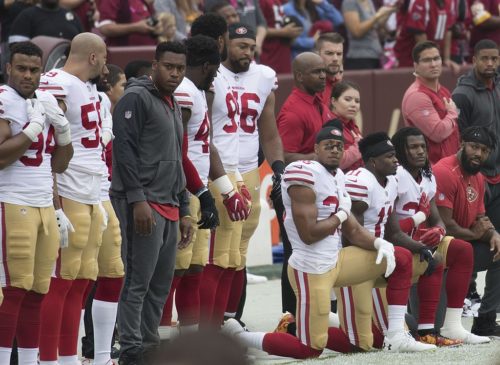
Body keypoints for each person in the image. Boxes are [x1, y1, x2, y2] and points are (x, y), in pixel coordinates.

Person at [221, 124, 428, 358]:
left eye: (339, 146)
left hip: (337, 261)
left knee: (400, 257)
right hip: (311, 268)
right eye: (328, 146)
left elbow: (353, 229)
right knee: (309, 349)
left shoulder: (339, 176)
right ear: (316, 149)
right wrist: (341, 214)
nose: (335, 151)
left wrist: (379, 244)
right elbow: (309, 234)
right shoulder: (303, 174)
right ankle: (238, 337)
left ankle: (396, 336)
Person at [336, 130, 488, 351]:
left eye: (423, 146)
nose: (420, 151)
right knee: (365, 341)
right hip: (380, 248)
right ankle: (309, 325)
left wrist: (437, 230)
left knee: (457, 251)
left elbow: (435, 219)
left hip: (402, 245)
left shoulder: (424, 176)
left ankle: (441, 329)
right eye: (413, 147)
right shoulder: (389, 177)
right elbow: (381, 232)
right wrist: (420, 217)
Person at [159, 34, 248, 334]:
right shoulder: (184, 91)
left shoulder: (195, 91)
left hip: (194, 187)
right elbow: (177, 149)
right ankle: (159, 339)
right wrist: (200, 192)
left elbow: (205, 146)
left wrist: (225, 187)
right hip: (183, 190)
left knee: (194, 268)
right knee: (175, 270)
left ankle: (190, 340)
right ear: (209, 65)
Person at [111, 41, 192, 365]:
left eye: (180, 68)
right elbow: (124, 151)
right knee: (136, 283)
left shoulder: (172, 102)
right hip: (143, 204)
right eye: (169, 66)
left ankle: (148, 345)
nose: (175, 73)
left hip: (169, 204)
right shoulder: (136, 97)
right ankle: (131, 351)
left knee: (160, 287)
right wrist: (137, 199)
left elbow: (177, 158)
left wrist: (184, 209)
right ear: (155, 65)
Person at [36, 32, 108, 365]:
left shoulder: (87, 87)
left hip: (92, 191)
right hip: (68, 188)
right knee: (61, 282)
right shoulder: (57, 82)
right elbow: (47, 139)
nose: (106, 64)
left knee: (82, 282)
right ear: (93, 57)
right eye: (104, 57)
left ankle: (69, 358)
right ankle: (48, 359)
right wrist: (53, 202)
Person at [0, 41, 73, 365]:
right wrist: (32, 129)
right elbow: (1, 157)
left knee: (38, 292)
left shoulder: (42, 100)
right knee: (14, 290)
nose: (28, 75)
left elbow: (58, 164)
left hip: (44, 204)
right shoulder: (4, 99)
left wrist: (64, 131)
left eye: (34, 70)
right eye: (22, 69)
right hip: (13, 202)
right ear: (9, 69)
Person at [216, 22, 285, 327]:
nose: (247, 53)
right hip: (219, 170)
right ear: (224, 44)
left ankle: (232, 318)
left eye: (251, 48)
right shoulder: (211, 73)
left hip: (249, 170)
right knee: (218, 253)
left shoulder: (264, 76)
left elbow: (269, 133)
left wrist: (279, 168)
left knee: (239, 253)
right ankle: (209, 320)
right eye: (240, 46)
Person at [276, 52, 333, 325]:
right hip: (296, 192)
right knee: (296, 253)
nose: (323, 76)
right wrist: (317, 158)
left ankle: (318, 310)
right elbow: (283, 156)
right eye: (316, 72)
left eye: (324, 71)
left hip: (317, 188)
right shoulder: (293, 111)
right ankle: (292, 316)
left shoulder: (319, 101)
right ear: (299, 76)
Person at [434, 126, 500, 336]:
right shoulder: (445, 171)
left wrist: (494, 234)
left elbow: (479, 218)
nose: (479, 154)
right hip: (439, 249)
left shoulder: (478, 177)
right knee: (434, 328)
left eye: (484, 150)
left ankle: (486, 320)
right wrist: (475, 234)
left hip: (464, 247)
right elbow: (445, 227)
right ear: (461, 144)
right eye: (474, 147)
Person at [80, 64, 126, 364]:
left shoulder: (102, 106)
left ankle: (100, 354)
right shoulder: (59, 94)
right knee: (74, 280)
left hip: (101, 194)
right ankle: (65, 354)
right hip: (74, 193)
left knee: (113, 273)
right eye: (121, 84)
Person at [452, 39, 500, 321]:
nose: (491, 64)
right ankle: (465, 298)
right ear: (474, 59)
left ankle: (488, 315)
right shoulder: (463, 94)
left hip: (497, 178)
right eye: (485, 59)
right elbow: (458, 141)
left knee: (498, 246)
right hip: (474, 179)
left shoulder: (496, 86)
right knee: (467, 242)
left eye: (495, 58)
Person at [402, 41, 460, 165]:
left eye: (436, 58)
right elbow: (438, 133)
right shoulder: (417, 96)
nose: (433, 64)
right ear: (416, 66)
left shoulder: (443, 90)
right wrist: (452, 113)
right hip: (431, 171)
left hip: (451, 166)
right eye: (427, 60)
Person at [394, 0, 460, 72]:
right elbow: (419, 34)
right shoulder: (421, 2)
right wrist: (430, 59)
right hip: (410, 58)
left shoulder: (450, 2)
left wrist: (447, 59)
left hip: (433, 56)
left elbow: (448, 29)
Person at [341, 0, 396, 69]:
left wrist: (388, 12)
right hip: (360, 59)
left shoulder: (369, 1)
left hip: (375, 56)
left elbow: (375, 25)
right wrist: (378, 15)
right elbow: (356, 32)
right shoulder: (350, 2)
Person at [8, 0, 83, 44]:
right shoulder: (26, 16)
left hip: (70, 69)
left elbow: (83, 44)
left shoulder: (72, 16)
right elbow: (16, 47)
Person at [258, 0, 303, 74]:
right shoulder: (261, 1)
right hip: (268, 55)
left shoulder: (278, 1)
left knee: (286, 83)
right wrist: (283, 32)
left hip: (282, 53)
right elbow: (257, 28)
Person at [96, 0, 163, 46]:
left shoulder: (142, 1)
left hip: (147, 55)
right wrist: (135, 28)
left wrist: (156, 28)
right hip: (124, 57)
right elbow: (105, 28)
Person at [330, 81, 363, 172]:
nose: (353, 105)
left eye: (357, 101)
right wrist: (360, 146)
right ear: (333, 101)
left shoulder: (352, 125)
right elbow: (337, 161)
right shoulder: (330, 126)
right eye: (348, 99)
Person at [314, 32, 344, 107]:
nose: (335, 59)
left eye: (339, 54)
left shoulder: (340, 85)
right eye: (329, 53)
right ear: (317, 55)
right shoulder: (312, 88)